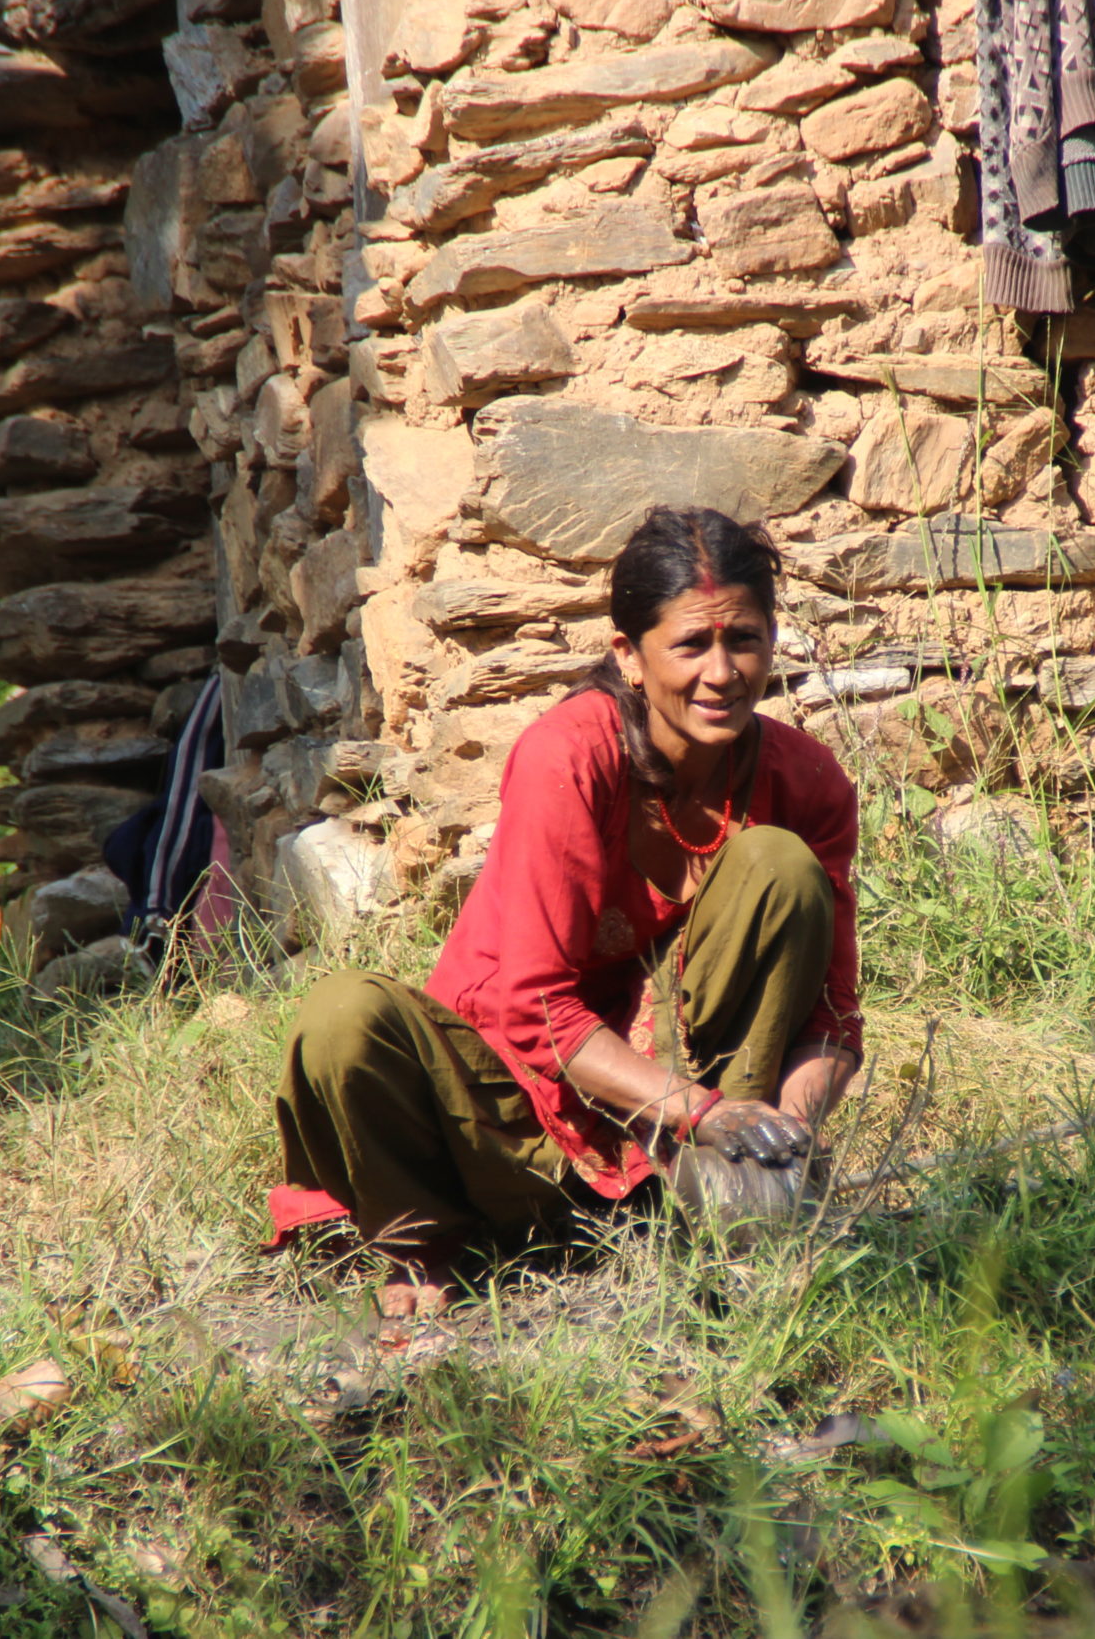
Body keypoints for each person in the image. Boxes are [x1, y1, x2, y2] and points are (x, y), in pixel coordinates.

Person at [266, 505, 864, 1314]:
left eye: (744, 639)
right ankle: (432, 1245)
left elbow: (832, 1017)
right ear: (629, 654)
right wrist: (707, 1112)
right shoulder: (570, 757)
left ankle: (728, 1204)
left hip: (681, 1144)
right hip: (512, 1127)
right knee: (344, 1015)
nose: (722, 672)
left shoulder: (809, 781)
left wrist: (778, 1133)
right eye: (691, 644)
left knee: (777, 865)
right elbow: (540, 1014)